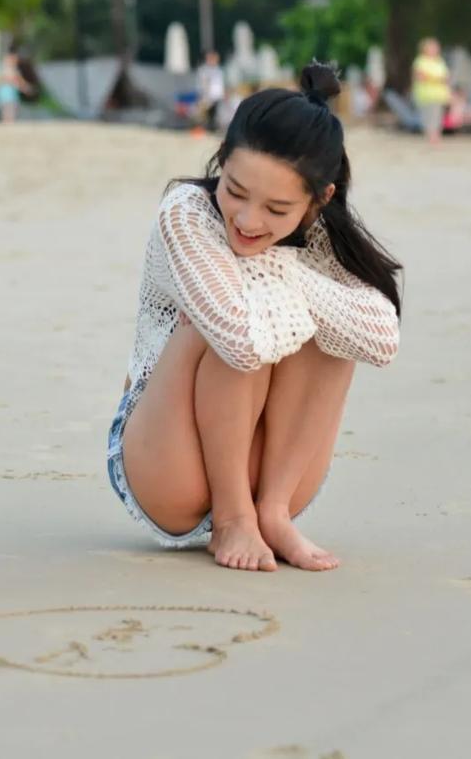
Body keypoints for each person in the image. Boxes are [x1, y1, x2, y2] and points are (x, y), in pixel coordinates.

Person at [106, 63, 401, 572]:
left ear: (320, 201)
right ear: (221, 159)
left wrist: (288, 274)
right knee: (222, 323)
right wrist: (283, 273)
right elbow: (239, 338)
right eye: (236, 191)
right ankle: (232, 519)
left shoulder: (321, 239)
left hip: (276, 477)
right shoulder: (188, 212)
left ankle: (270, 515)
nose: (247, 221)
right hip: (167, 465)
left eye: (277, 209)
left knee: (338, 334)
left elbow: (380, 339)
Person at [411, 38, 451, 143]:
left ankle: (435, 136)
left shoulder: (439, 61)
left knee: (438, 117)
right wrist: (436, 79)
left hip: (439, 94)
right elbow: (420, 76)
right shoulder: (420, 61)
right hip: (426, 94)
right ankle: (431, 137)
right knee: (429, 116)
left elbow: (446, 77)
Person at [0, 47, 33, 124]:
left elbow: (20, 83)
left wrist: (26, 88)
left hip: (9, 98)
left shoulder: (10, 70)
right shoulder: (6, 70)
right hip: (7, 98)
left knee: (8, 118)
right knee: (9, 119)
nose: (16, 61)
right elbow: (18, 82)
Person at [195, 50, 226, 131]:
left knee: (215, 115)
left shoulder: (219, 70)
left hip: (217, 96)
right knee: (206, 115)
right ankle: (205, 128)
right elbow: (203, 84)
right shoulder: (204, 70)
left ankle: (213, 128)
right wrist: (205, 96)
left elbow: (220, 84)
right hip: (208, 96)